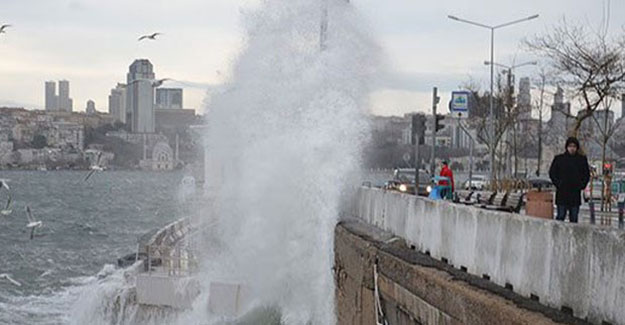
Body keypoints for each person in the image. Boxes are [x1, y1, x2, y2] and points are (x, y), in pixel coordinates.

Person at [549, 137, 590, 223]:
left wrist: (581, 185)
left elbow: (586, 175)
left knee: (574, 218)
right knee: (560, 216)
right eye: (570, 146)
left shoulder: (581, 160)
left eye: (574, 146)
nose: (572, 148)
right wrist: (558, 184)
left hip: (575, 193)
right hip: (562, 193)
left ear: (577, 148)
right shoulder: (559, 159)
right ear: (567, 147)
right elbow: (552, 173)